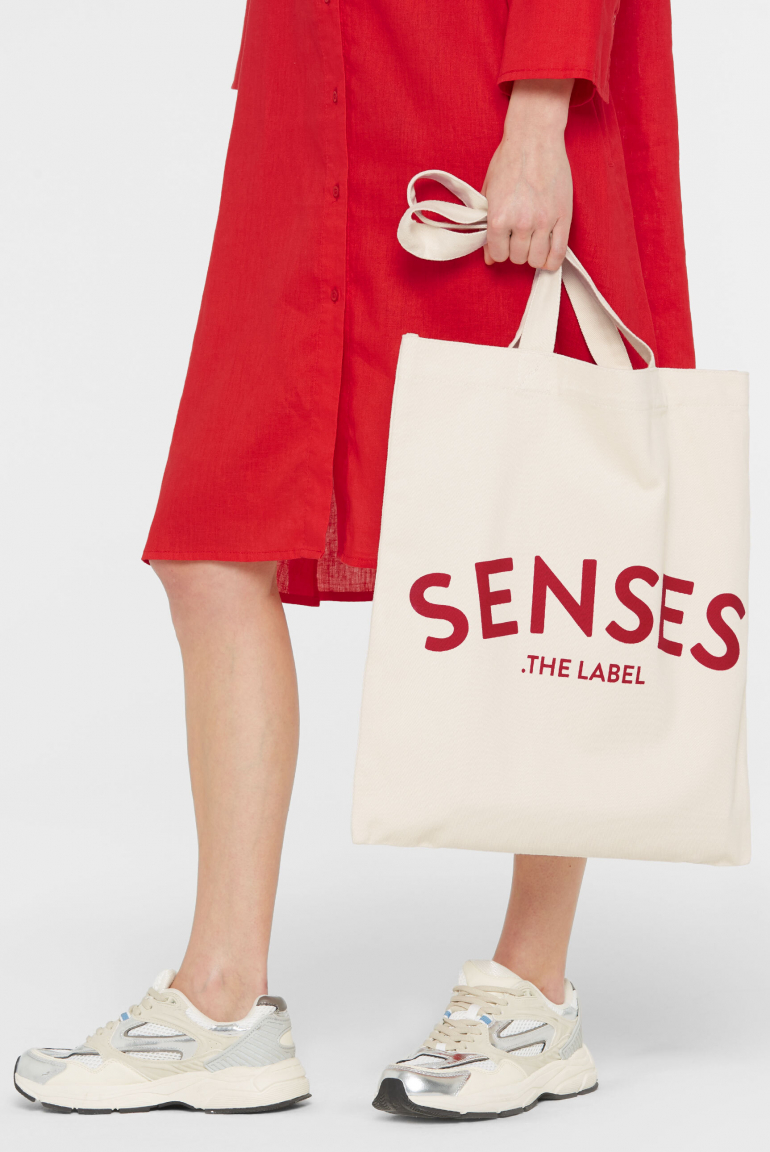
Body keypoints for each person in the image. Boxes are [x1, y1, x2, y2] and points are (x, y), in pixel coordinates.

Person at [14, 0, 694, 1119]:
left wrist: (539, 116)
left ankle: (531, 989)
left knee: (543, 541)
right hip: (312, 97)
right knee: (214, 539)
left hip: (478, 85)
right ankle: (222, 1002)